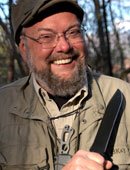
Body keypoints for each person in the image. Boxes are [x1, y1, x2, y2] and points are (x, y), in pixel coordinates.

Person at [0, 0, 130, 169]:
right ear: (24, 49)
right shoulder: (3, 107)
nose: (64, 46)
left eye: (73, 32)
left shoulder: (124, 97)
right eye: (46, 37)